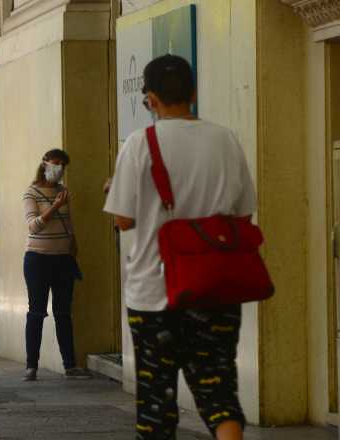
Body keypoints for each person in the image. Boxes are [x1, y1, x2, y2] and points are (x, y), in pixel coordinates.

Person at [104, 54, 253, 440]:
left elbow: (122, 220)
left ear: (150, 98)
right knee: (218, 391)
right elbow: (243, 218)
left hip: (154, 293)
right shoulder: (226, 139)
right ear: (194, 92)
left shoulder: (140, 143)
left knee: (156, 401)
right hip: (214, 288)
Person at [21, 149, 91, 381]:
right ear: (45, 164)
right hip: (38, 260)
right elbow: (33, 226)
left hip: (63, 259)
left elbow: (67, 221)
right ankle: (31, 366)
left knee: (63, 313)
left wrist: (74, 243)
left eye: (63, 165)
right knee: (36, 312)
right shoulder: (31, 193)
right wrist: (53, 206)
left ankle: (69, 365)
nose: (59, 168)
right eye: (55, 163)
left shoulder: (62, 191)